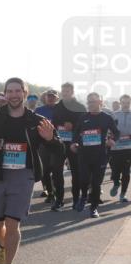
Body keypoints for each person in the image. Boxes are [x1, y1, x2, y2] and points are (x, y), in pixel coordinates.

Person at [0, 78, 59, 264]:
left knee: (13, 224)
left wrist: (50, 139)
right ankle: (4, 246)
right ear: (5, 94)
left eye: (17, 91)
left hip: (23, 176)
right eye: (9, 91)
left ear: (24, 93)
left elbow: (59, 150)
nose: (13, 95)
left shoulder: (36, 120)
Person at [69, 92, 119, 218]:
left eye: (93, 101)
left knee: (96, 183)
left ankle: (94, 208)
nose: (90, 104)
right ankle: (84, 196)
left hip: (100, 155)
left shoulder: (107, 118)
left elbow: (116, 133)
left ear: (100, 103)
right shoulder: (83, 117)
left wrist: (112, 141)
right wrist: (73, 143)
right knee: (84, 179)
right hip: (84, 154)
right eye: (89, 102)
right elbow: (75, 133)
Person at [54, 82, 87, 211]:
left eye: (67, 91)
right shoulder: (58, 106)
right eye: (63, 91)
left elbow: (85, 122)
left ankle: (75, 199)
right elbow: (54, 121)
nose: (65, 93)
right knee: (57, 172)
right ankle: (59, 199)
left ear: (72, 91)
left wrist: (73, 125)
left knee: (76, 172)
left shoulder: (79, 106)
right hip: (59, 143)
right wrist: (62, 123)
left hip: (74, 143)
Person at [34, 90, 65, 209]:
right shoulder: (39, 111)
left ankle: (59, 199)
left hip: (57, 144)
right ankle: (50, 193)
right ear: (45, 98)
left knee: (57, 172)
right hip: (43, 145)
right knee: (44, 171)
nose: (51, 99)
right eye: (49, 97)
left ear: (57, 98)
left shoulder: (61, 110)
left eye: (53, 97)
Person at [110, 95, 131, 203]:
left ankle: (122, 194)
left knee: (126, 173)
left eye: (128, 102)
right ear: (120, 103)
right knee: (115, 171)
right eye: (124, 102)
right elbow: (109, 129)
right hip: (115, 148)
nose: (126, 105)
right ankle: (116, 183)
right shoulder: (114, 115)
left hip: (128, 148)